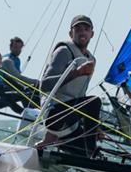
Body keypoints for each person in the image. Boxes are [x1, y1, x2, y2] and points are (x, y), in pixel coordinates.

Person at [38, 15, 102, 157]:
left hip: (69, 124)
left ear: (92, 34)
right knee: (95, 101)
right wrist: (76, 73)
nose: (82, 32)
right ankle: (92, 152)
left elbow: (80, 96)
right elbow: (45, 84)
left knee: (83, 155)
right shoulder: (64, 51)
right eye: (77, 29)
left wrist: (95, 125)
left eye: (86, 29)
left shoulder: (91, 59)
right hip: (54, 115)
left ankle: (42, 149)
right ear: (70, 33)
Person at [1, 37, 40, 106]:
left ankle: (37, 109)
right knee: (31, 89)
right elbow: (18, 78)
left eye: (20, 48)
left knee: (34, 89)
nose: (18, 50)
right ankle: (30, 111)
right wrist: (37, 82)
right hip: (5, 86)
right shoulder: (7, 60)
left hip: (14, 85)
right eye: (16, 47)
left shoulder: (17, 59)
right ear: (11, 48)